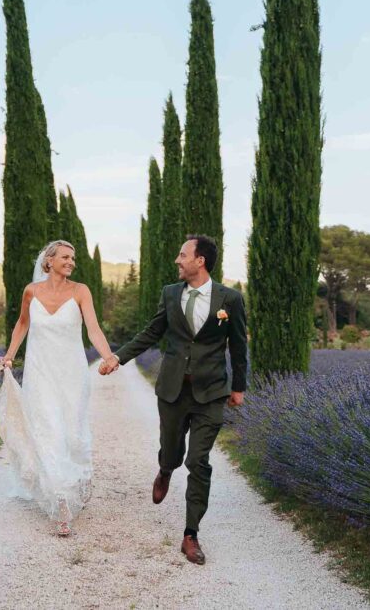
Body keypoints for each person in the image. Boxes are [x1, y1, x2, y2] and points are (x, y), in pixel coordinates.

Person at [99, 234, 247, 565]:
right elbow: (151, 333)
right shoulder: (170, 294)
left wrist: (239, 386)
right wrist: (117, 358)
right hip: (172, 390)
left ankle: (190, 534)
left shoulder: (231, 300)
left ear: (200, 261)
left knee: (198, 461)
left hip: (211, 392)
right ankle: (165, 469)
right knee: (172, 450)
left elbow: (238, 346)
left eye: (183, 255)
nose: (177, 261)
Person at [0, 239, 120, 536]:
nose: (71, 262)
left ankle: (82, 476)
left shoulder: (81, 292)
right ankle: (61, 503)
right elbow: (22, 324)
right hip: (40, 374)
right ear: (48, 261)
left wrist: (108, 355)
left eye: (73, 258)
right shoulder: (31, 291)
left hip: (72, 375)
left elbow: (93, 328)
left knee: (73, 434)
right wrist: (10, 355)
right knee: (47, 432)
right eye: (65, 257)